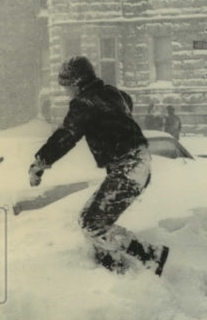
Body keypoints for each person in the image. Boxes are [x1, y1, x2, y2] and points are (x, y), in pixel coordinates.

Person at [28, 56, 169, 275]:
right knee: (91, 221)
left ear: (77, 83)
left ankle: (149, 256)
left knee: (92, 223)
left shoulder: (85, 102)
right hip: (136, 163)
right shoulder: (112, 93)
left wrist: (40, 162)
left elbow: (67, 134)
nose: (66, 92)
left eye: (66, 87)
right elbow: (126, 103)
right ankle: (112, 264)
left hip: (128, 166)